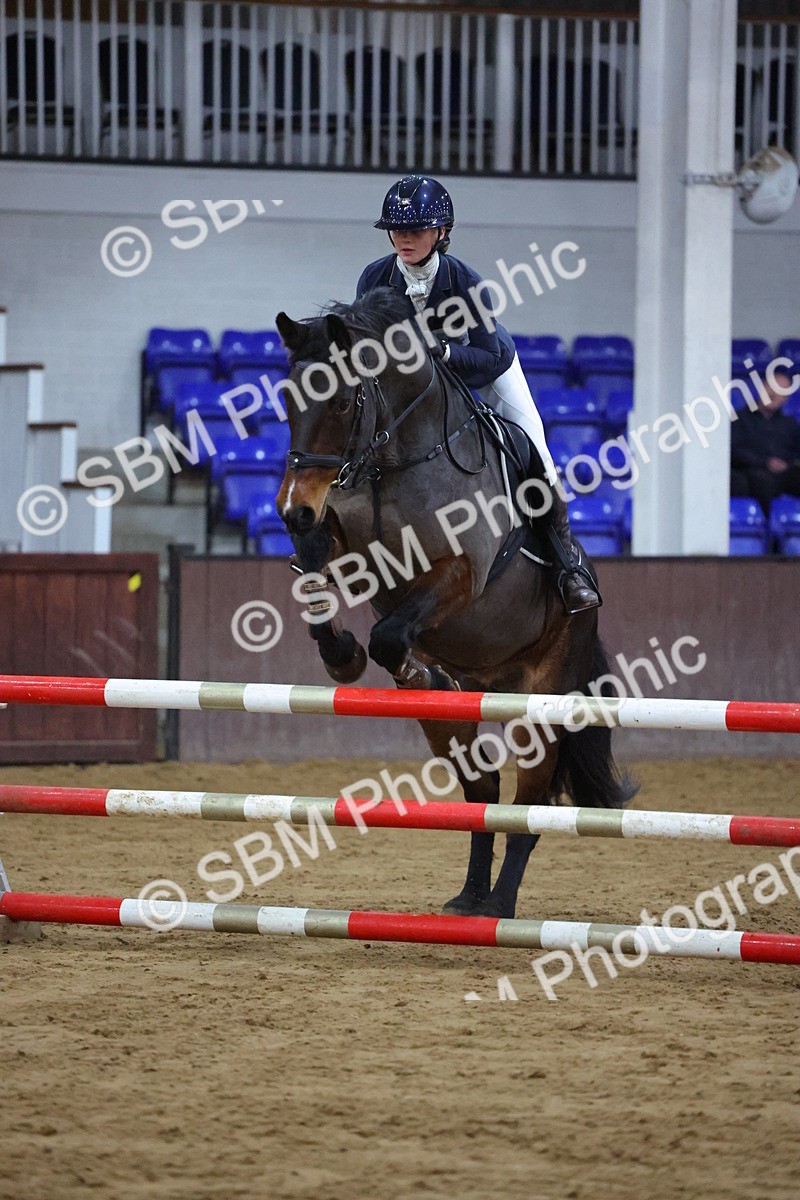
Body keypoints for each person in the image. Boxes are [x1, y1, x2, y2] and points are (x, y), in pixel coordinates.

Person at [356, 174, 600, 615]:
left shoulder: (466, 282)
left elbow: (487, 357)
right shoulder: (374, 277)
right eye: (397, 230)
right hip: (422, 386)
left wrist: (444, 351)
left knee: (534, 447)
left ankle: (570, 567)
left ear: (442, 232)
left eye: (415, 230)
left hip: (487, 372)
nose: (404, 239)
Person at [730, 367, 800, 515]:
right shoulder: (739, 418)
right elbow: (734, 450)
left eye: (780, 390)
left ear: (785, 398)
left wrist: (787, 464)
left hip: (785, 473)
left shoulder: (790, 423)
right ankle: (768, 532)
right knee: (760, 481)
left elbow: (796, 453)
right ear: (762, 387)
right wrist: (765, 462)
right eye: (771, 387)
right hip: (754, 471)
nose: (773, 393)